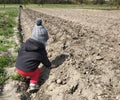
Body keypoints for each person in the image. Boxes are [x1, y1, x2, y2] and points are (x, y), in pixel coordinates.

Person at [15, 18, 56, 92]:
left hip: (18, 67)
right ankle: (33, 85)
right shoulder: (41, 51)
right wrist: (49, 65)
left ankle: (24, 77)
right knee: (37, 71)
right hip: (28, 70)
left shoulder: (25, 45)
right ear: (43, 41)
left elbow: (19, 51)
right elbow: (45, 60)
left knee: (27, 68)